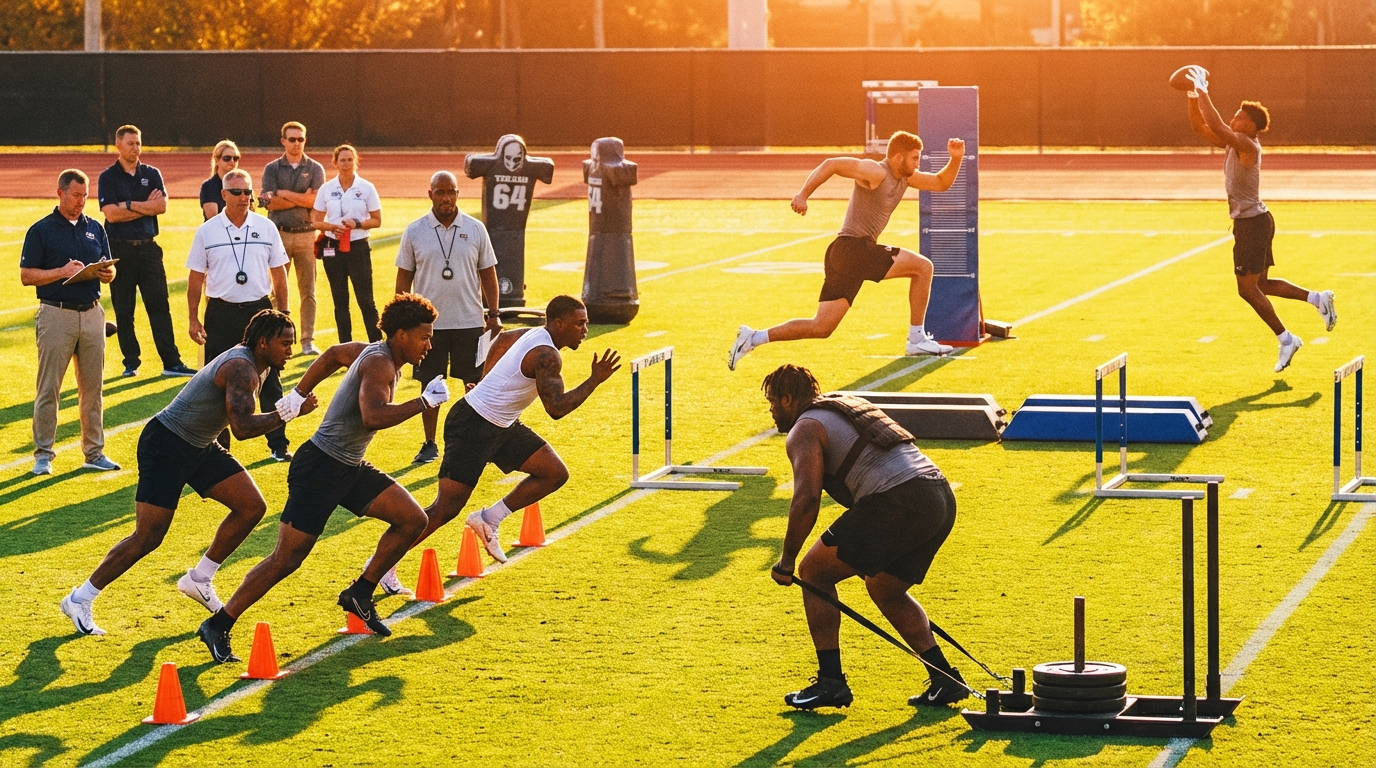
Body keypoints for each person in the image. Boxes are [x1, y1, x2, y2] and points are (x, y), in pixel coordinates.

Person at [197, 294, 443, 662]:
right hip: (320, 468)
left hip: (348, 466)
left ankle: (360, 593)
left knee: (412, 520)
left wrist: (298, 393)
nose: (429, 345)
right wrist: (423, 402)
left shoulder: (374, 353)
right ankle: (219, 624)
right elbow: (373, 416)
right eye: (425, 337)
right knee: (285, 559)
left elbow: (332, 355)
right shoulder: (379, 363)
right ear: (402, 335)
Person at [60, 311, 314, 636]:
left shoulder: (258, 364)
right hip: (166, 444)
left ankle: (200, 578)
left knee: (251, 506)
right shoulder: (242, 368)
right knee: (148, 536)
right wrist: (289, 413)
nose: (290, 350)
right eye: (285, 343)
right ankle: (80, 598)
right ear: (263, 342)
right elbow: (241, 428)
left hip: (200, 445)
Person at [761, 364, 965, 710]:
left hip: (898, 499)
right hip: (939, 496)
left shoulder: (804, 428)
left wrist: (788, 560)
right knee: (885, 588)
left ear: (788, 398)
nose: (771, 411)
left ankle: (831, 683)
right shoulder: (845, 404)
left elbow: (807, 497)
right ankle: (944, 678)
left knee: (813, 572)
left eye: (772, 402)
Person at [410, 295, 619, 566]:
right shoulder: (547, 356)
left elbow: (502, 339)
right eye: (580, 323)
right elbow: (556, 408)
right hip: (473, 425)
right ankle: (382, 566)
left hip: (502, 425)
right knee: (445, 509)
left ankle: (488, 519)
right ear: (559, 323)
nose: (585, 330)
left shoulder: (534, 333)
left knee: (554, 473)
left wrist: (484, 380)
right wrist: (594, 380)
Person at [728, 132, 965, 371]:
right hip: (853, 249)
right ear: (897, 157)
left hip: (844, 254)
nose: (917, 163)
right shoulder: (876, 172)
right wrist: (803, 195)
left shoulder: (906, 177)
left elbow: (941, 183)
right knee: (923, 267)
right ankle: (916, 339)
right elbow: (831, 164)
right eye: (914, 158)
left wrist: (956, 158)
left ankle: (753, 337)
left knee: (822, 327)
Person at [1184, 67, 1337, 372]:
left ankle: (1286, 339)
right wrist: (1191, 94)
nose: (1233, 119)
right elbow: (1200, 126)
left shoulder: (1247, 144)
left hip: (1252, 225)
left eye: (1239, 117)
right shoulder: (1235, 141)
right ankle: (1317, 299)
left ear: (1251, 126)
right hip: (1258, 220)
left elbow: (1215, 123)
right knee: (1261, 284)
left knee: (1247, 289)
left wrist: (1202, 89)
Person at [186, 168, 295, 462]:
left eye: (248, 192)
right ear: (223, 194)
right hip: (221, 312)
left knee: (271, 380)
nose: (244, 197)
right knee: (216, 382)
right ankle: (219, 448)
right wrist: (193, 319)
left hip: (260, 311)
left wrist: (283, 313)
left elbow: (279, 274)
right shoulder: (207, 231)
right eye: (237, 192)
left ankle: (279, 444)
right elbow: (195, 279)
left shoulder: (266, 227)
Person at [396, 170, 502, 464]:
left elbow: (488, 274)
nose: (446, 198)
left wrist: (493, 314)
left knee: (475, 383)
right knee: (430, 385)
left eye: (451, 192)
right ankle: (430, 443)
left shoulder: (476, 229)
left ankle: (474, 441)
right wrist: (401, 319)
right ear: (430, 194)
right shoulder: (415, 231)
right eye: (440, 192)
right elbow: (404, 278)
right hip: (428, 327)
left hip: (470, 321)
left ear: (458, 194)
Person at [20, 169, 120, 476]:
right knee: (49, 388)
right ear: (60, 192)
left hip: (92, 313)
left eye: (85, 196)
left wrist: (108, 273)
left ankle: (94, 452)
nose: (81, 202)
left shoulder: (95, 228)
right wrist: (61, 272)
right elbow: (26, 276)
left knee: (93, 389)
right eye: (76, 195)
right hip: (56, 314)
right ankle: (43, 454)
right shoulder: (41, 230)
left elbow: (109, 266)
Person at [97, 125, 195, 378]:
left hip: (148, 248)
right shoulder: (108, 177)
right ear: (118, 145)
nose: (136, 148)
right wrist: (144, 206)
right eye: (131, 143)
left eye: (138, 143)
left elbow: (161, 206)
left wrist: (129, 204)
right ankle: (131, 362)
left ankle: (172, 362)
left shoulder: (152, 174)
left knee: (159, 305)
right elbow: (111, 214)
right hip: (119, 249)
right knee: (124, 309)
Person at [260, 121, 325, 356]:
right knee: (276, 290)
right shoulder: (272, 168)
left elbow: (315, 201)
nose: (296, 143)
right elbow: (269, 202)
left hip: (307, 234)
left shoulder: (315, 168)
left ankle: (307, 340)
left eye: (300, 139)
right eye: (292, 139)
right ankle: (273, 337)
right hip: (280, 235)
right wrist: (301, 198)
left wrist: (284, 194)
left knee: (308, 292)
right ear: (283, 141)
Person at [313, 145, 383, 345]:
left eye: (350, 159)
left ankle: (377, 345)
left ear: (356, 161)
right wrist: (331, 227)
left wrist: (357, 223)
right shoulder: (327, 188)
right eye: (342, 160)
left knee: (366, 300)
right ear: (335, 163)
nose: (346, 164)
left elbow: (377, 220)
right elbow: (315, 221)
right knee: (340, 301)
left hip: (358, 246)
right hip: (332, 247)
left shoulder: (366, 187)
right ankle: (345, 347)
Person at [200, 140, 241, 221]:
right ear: (217, 160)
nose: (232, 161)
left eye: (235, 158)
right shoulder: (209, 186)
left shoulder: (242, 184)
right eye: (227, 158)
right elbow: (213, 219)